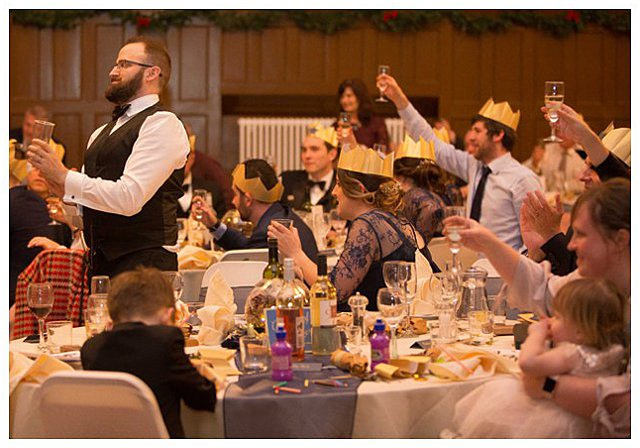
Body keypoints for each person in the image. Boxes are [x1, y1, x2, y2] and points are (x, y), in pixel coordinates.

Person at [443, 178, 630, 437]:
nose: (572, 244)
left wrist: (547, 385)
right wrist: (488, 242)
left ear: (621, 239)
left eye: (582, 234)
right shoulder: (594, 280)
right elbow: (544, 291)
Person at [27, 36, 189, 278]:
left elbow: (129, 197)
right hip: (100, 264)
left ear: (152, 73)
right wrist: (60, 187)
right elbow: (89, 206)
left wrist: (65, 176)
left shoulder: (162, 123)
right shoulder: (99, 133)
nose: (113, 71)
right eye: (115, 64)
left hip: (146, 266)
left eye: (124, 64)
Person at [378, 72, 542, 251]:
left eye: (477, 131)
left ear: (498, 135)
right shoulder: (475, 166)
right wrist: (399, 100)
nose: (470, 137)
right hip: (471, 264)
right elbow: (432, 142)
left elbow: (535, 240)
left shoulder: (522, 179)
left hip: (503, 270)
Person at [447, 278, 627, 438]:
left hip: (553, 420)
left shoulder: (571, 353)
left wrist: (536, 334)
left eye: (558, 317)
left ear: (580, 332)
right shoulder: (613, 352)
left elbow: (528, 364)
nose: (551, 322)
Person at [269, 145, 439, 311]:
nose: (334, 192)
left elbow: (333, 292)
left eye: (339, 184)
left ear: (359, 189)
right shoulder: (395, 220)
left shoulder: (367, 225)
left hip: (387, 331)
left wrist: (296, 254)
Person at [81, 267, 219, 438]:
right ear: (167, 315)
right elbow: (203, 398)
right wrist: (208, 375)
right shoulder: (165, 341)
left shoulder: (90, 348)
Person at [522, 120, 631, 275]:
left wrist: (552, 235)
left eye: (594, 168)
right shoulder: (588, 208)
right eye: (585, 165)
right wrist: (536, 253)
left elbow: (581, 272)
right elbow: (565, 269)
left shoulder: (623, 221)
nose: (582, 176)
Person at [197, 158, 318, 261]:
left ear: (248, 200)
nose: (233, 201)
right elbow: (247, 246)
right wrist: (214, 225)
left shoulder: (270, 232)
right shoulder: (280, 214)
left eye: (235, 195)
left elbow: (247, 252)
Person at [9, 167, 71, 308]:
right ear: (27, 173)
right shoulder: (12, 200)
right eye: (34, 169)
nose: (40, 173)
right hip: (18, 289)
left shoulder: (67, 205)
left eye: (45, 170)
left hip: (60, 289)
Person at [393, 135, 446, 242]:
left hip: (421, 256)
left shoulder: (415, 196)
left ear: (400, 177)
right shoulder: (432, 194)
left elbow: (431, 208)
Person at [280, 124, 338, 212]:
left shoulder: (342, 184)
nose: (307, 156)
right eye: (304, 150)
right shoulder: (287, 181)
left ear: (332, 154)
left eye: (314, 149)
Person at [177, 125, 227, 219]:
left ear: (192, 158)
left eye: (186, 157)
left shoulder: (213, 190)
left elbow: (222, 228)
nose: (181, 163)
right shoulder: (158, 192)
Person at [9, 105, 66, 183]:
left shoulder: (57, 148)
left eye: (37, 128)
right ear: (23, 123)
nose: (30, 131)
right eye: (28, 125)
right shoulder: (9, 138)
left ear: (44, 129)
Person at [334, 78, 389, 148]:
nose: (344, 101)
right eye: (342, 97)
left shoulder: (376, 124)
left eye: (349, 96)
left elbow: (383, 151)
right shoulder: (337, 126)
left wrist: (356, 146)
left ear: (360, 97)